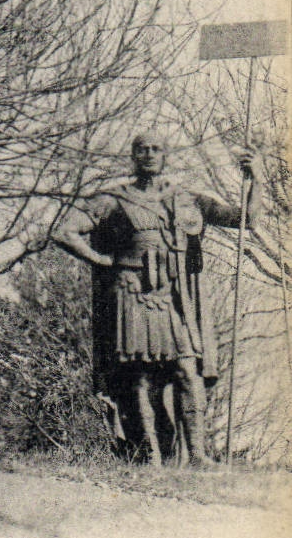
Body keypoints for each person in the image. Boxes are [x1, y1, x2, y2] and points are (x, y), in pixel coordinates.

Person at [53, 132, 260, 467]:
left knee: (186, 371)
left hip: (172, 297)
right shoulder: (114, 199)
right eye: (141, 149)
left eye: (156, 149)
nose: (148, 154)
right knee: (140, 378)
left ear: (166, 156)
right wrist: (101, 260)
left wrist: (256, 179)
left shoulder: (187, 199)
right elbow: (64, 232)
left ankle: (197, 455)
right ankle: (149, 457)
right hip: (132, 293)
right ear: (133, 157)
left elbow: (245, 220)